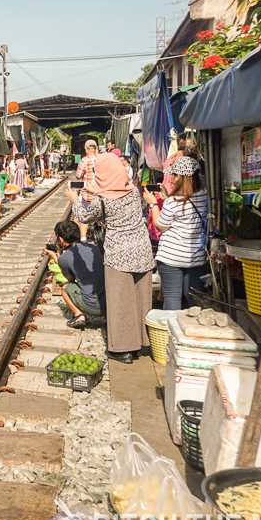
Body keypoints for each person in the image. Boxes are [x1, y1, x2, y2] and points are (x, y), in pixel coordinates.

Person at [67, 153, 154, 364]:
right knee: (141, 300)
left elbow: (84, 216)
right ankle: (141, 344)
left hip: (118, 255)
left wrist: (75, 199)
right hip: (142, 251)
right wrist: (96, 191)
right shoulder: (134, 191)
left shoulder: (101, 201)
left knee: (120, 302)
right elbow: (116, 193)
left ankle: (123, 350)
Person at [144, 156, 209, 310]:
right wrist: (167, 197)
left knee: (172, 299)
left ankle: (169, 333)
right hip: (195, 258)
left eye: (172, 175)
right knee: (194, 301)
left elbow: (161, 226)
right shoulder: (204, 195)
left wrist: (153, 203)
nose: (171, 179)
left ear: (178, 176)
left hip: (171, 258)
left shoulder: (173, 202)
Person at [43, 220, 105, 329]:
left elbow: (70, 279)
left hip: (91, 307)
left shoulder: (65, 258)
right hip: (110, 304)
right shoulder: (95, 248)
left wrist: (57, 257)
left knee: (65, 288)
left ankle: (79, 315)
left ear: (61, 240)